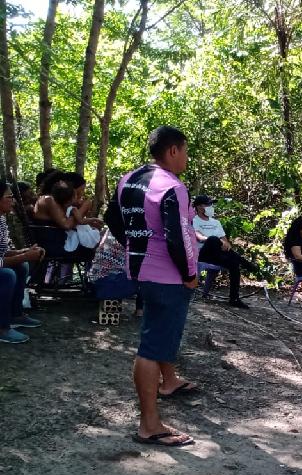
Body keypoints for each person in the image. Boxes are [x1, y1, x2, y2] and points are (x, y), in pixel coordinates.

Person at [104, 126, 198, 448]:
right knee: (151, 346)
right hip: (167, 275)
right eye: (185, 151)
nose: (186, 158)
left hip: (140, 271)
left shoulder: (128, 179)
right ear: (173, 150)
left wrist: (133, 243)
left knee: (157, 331)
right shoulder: (173, 187)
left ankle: (169, 381)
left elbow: (112, 218)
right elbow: (178, 236)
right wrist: (190, 273)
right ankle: (149, 425)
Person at [192, 195, 259, 309]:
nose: (210, 207)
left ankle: (234, 298)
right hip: (204, 253)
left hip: (218, 254)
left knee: (234, 264)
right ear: (199, 207)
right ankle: (246, 264)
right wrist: (216, 240)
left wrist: (225, 243)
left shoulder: (216, 222)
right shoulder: (194, 220)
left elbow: (225, 241)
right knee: (212, 239)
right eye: (207, 205)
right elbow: (199, 236)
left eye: (210, 204)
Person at [0, 182, 44, 344]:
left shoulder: (2, 220)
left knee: (21, 266)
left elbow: (3, 252)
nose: (13, 201)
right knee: (7, 275)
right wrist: (25, 256)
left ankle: (15, 315)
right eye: (9, 197)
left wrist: (24, 252)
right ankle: (2, 327)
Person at [32, 172, 103, 259]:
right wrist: (84, 207)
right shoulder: (48, 199)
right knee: (102, 246)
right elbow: (67, 225)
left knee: (101, 239)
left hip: (57, 240)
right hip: (53, 245)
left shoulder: (53, 200)